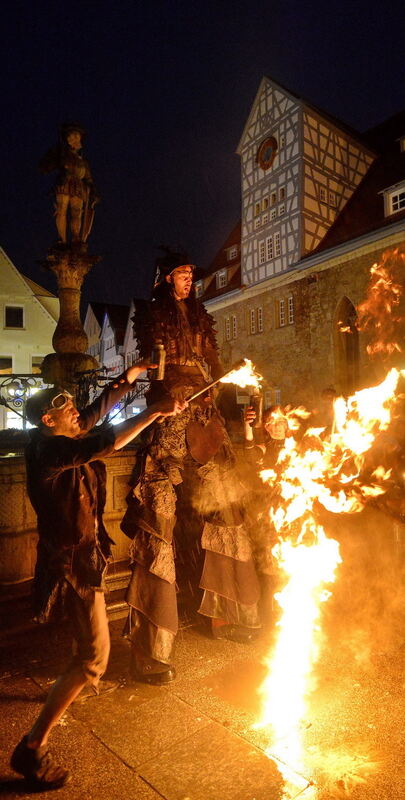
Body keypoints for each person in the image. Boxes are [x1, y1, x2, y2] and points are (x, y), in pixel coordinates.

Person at [10, 364, 184, 790]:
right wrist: (151, 413)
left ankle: (72, 686)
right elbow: (105, 441)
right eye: (67, 409)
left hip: (83, 554)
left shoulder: (61, 434)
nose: (76, 412)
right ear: (48, 421)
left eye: (72, 404)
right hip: (72, 561)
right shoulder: (50, 452)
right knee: (94, 661)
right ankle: (32, 747)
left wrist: (128, 378)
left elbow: (94, 415)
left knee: (85, 641)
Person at [121, 249, 261, 685]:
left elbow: (216, 371)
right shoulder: (152, 315)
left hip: (207, 422)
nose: (189, 280)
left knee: (227, 513)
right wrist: (168, 395)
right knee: (158, 524)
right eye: (182, 274)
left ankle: (225, 616)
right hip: (170, 422)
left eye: (191, 275)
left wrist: (236, 413)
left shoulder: (201, 318)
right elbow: (153, 372)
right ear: (165, 279)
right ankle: (152, 649)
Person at [39, 123, 98, 244]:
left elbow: (88, 179)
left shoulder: (84, 162)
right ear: (67, 140)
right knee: (62, 210)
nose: (74, 138)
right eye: (71, 136)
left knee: (77, 213)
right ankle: (62, 239)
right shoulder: (62, 154)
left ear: (80, 139)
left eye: (76, 136)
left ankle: (76, 237)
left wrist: (94, 191)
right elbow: (45, 167)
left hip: (79, 186)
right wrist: (53, 157)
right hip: (64, 183)